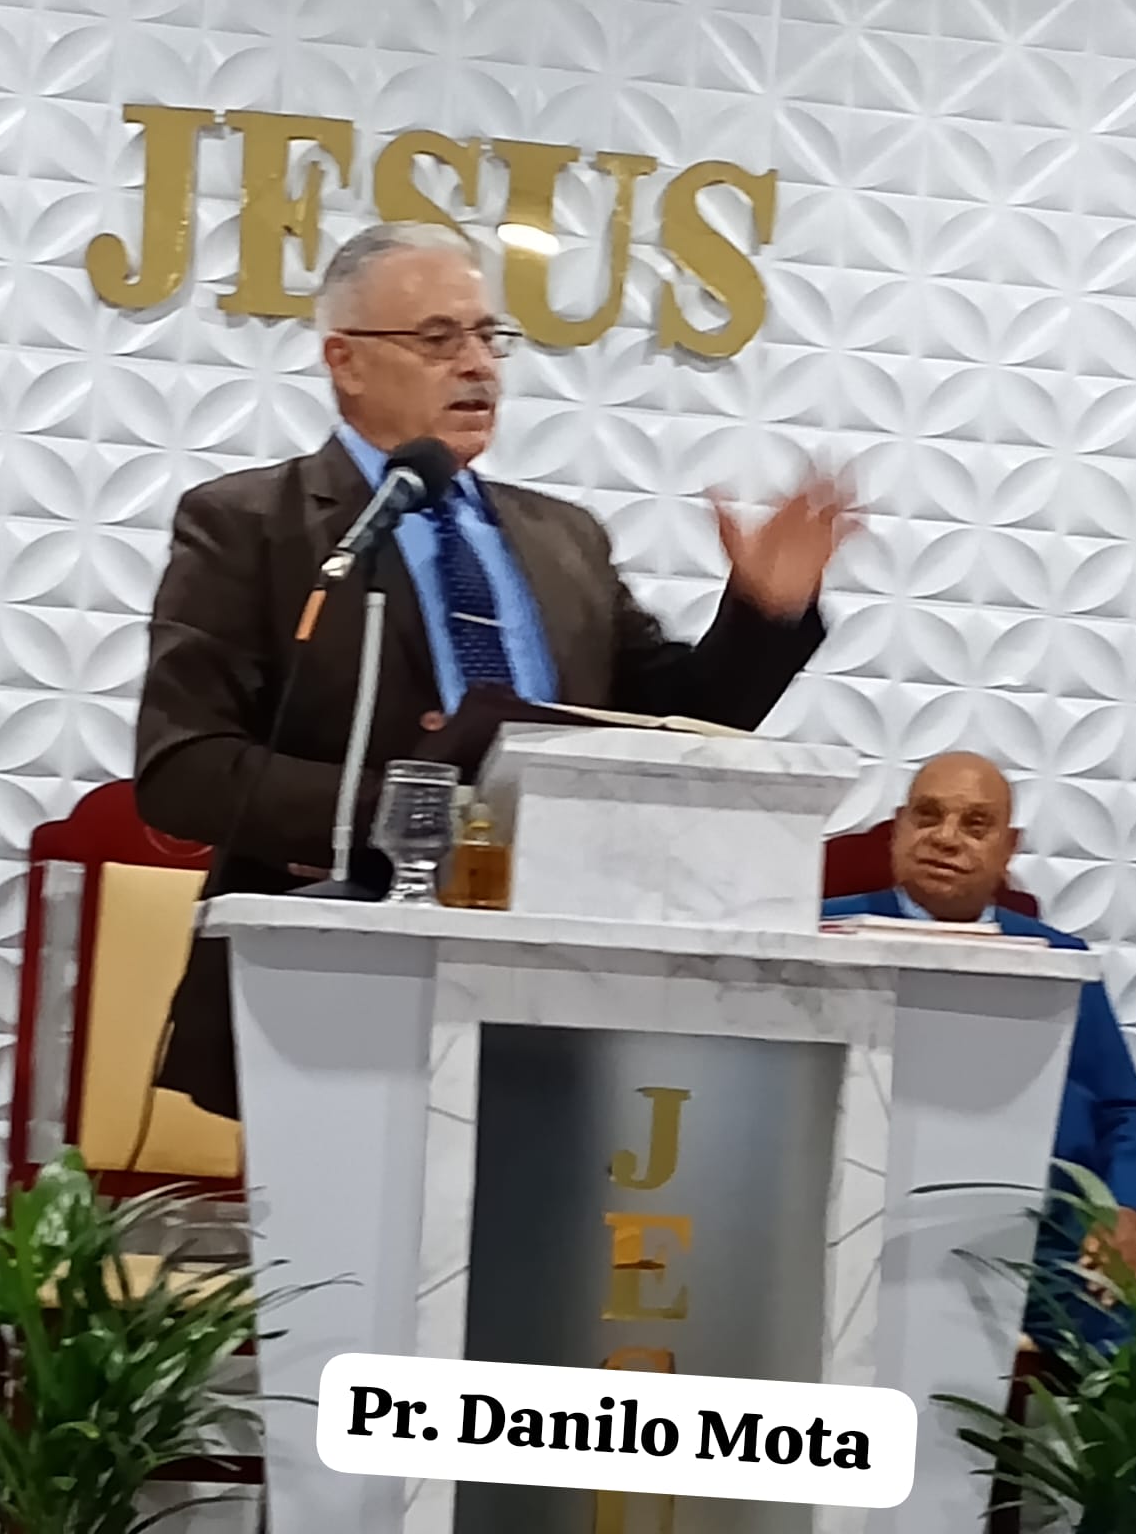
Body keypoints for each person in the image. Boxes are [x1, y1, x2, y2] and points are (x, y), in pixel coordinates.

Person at [135, 221, 857, 1121]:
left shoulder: (563, 538)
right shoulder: (252, 524)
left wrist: (762, 617)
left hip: (566, 985)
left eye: (488, 335)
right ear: (344, 360)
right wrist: (424, 814)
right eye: (439, 339)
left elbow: (674, 728)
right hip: (338, 972)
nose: (478, 364)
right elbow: (184, 769)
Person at [823, 751, 1136, 1349]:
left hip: (1037, 1240)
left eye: (975, 825)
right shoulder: (819, 937)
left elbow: (1123, 1113)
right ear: (898, 830)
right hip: (852, 1222)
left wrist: (1130, 1210)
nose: (945, 838)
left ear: (1009, 848)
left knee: (1126, 1347)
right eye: (927, 816)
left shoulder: (1061, 962)